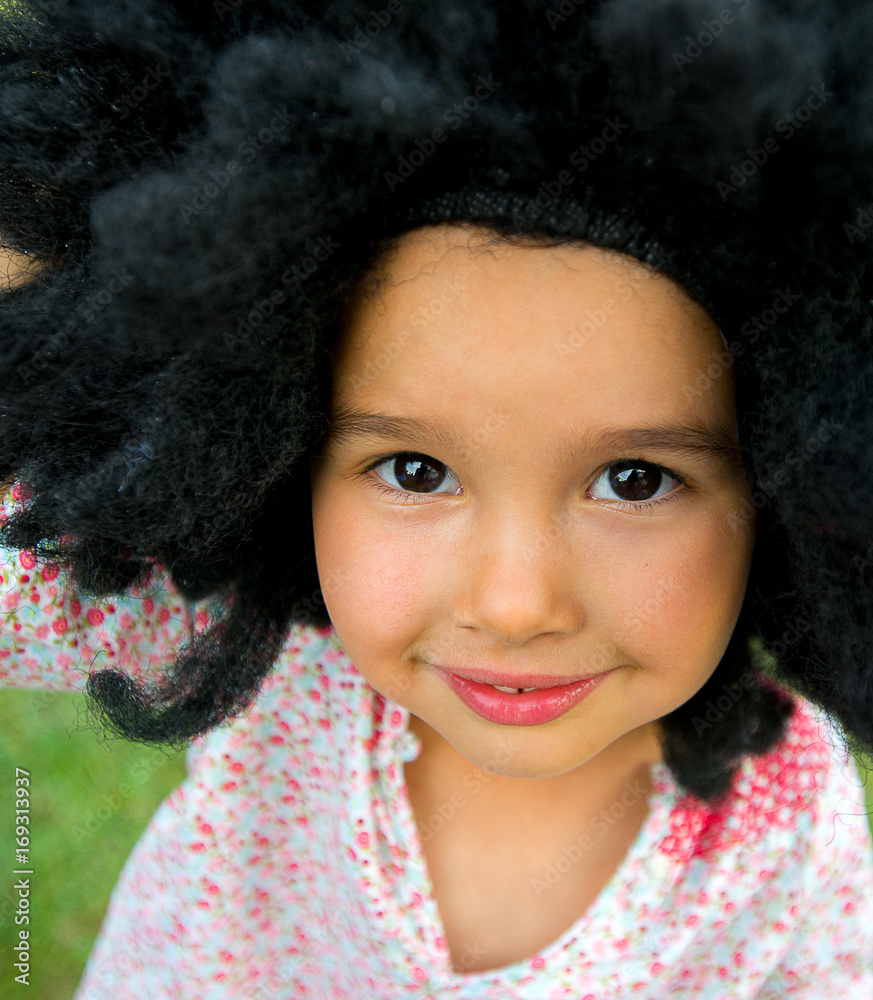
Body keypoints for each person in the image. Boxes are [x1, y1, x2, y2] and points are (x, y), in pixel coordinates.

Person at [1, 0, 872, 995]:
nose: (514, 603)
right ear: (270, 447)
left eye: (634, 480)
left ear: (787, 483)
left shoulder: (786, 830)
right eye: (415, 470)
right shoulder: (256, 644)